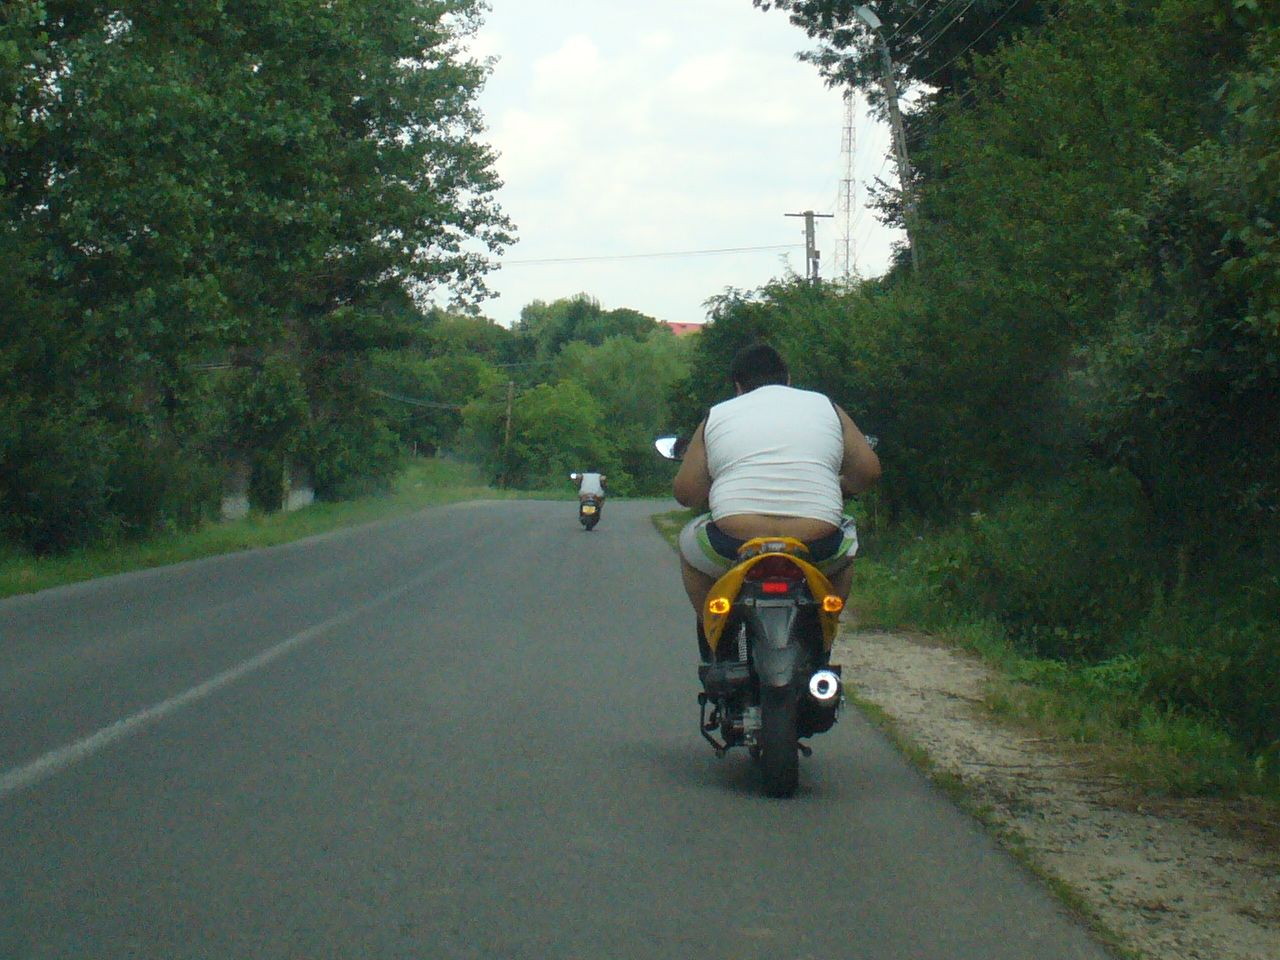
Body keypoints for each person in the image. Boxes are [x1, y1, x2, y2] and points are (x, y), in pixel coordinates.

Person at [672, 342, 881, 660]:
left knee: (689, 545)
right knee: (846, 551)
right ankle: (822, 640)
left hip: (735, 539)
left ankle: (718, 638)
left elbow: (686, 494)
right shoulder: (826, 407)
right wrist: (841, 488)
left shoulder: (718, 414)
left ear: (738, 386)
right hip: (816, 540)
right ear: (788, 380)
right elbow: (868, 472)